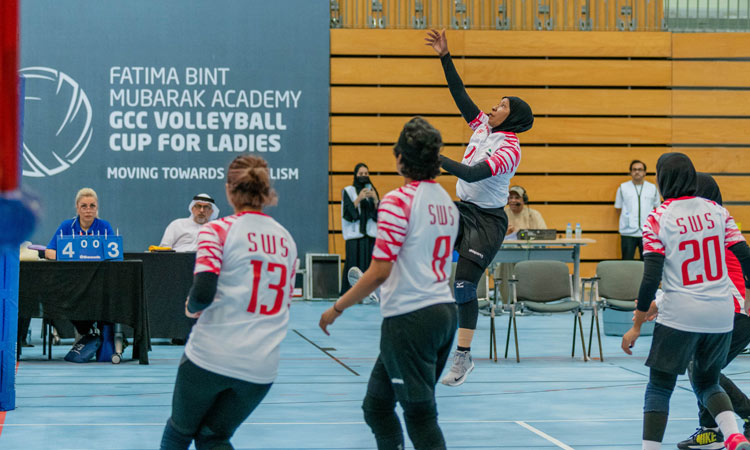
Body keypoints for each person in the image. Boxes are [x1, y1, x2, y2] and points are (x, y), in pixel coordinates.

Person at [319, 117, 459, 450]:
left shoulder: (397, 201)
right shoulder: (448, 205)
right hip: (443, 313)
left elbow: (379, 271)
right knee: (377, 407)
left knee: (420, 416)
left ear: (400, 158)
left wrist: (338, 307)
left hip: (410, 319)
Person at [160, 155, 297, 450]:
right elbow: (286, 303)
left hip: (213, 355)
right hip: (262, 366)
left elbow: (203, 292)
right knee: (213, 437)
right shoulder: (287, 239)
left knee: (179, 432)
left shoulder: (217, 230)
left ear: (228, 191)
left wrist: (190, 307)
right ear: (265, 190)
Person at [424, 29, 534, 386]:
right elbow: (460, 95)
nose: (492, 107)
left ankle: (463, 357)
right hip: (463, 208)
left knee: (464, 289)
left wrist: (435, 158)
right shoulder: (483, 128)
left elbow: (472, 172)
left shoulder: (510, 149)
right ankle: (394, 282)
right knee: (425, 224)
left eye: (501, 105)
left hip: (486, 221)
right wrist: (444, 55)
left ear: (512, 115)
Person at [621, 153, 750, 450]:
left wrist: (640, 320)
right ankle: (725, 433)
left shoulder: (661, 216)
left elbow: (659, 274)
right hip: (723, 311)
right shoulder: (719, 216)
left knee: (663, 384)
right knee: (706, 378)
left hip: (699, 310)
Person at [676, 173, 750, 449]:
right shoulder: (707, 224)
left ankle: (744, 415)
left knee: (702, 371)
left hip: (734, 313)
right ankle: (710, 429)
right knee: (704, 371)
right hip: (720, 312)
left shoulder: (712, 225)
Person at [44, 187, 115, 357]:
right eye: (84, 206)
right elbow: (48, 252)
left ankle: (99, 338)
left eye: (92, 206)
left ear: (97, 207)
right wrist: (69, 255)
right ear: (77, 207)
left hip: (98, 284)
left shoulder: (104, 227)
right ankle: (85, 332)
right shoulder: (67, 226)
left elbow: (114, 254)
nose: (88, 210)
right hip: (72, 283)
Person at [340, 163, 379, 295]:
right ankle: (349, 294)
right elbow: (347, 214)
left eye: (366, 174)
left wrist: (375, 200)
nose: (364, 176)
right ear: (356, 175)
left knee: (369, 267)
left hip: (370, 236)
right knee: (352, 266)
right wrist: (359, 198)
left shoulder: (372, 190)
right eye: (361, 174)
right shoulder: (348, 191)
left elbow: (378, 215)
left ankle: (369, 294)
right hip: (354, 236)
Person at [615, 160, 660, 260]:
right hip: (627, 232)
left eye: (640, 169)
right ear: (630, 172)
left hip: (647, 232)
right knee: (626, 262)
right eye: (634, 169)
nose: (637, 172)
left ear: (645, 172)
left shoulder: (652, 188)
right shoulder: (623, 187)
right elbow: (618, 208)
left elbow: (657, 208)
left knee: (646, 262)